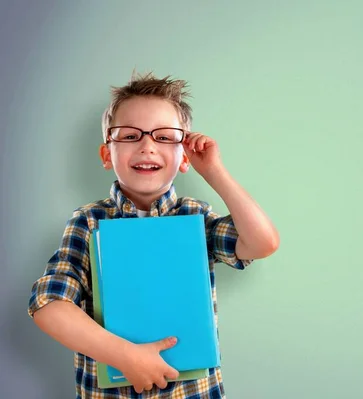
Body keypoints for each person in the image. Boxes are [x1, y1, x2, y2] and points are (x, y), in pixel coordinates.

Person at [27, 71, 279, 398]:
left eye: (164, 137)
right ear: (107, 155)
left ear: (184, 155)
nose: (147, 146)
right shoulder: (88, 222)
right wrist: (126, 356)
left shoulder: (196, 216)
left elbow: (262, 242)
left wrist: (214, 171)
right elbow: (48, 304)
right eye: (130, 136)